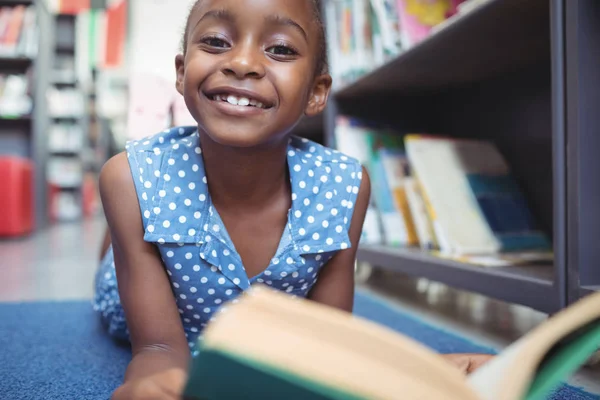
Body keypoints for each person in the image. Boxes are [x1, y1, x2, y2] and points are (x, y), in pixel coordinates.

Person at [94, 0, 493, 398]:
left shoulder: (345, 187)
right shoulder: (130, 179)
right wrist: (149, 385)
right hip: (138, 281)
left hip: (260, 325)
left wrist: (423, 373)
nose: (243, 62)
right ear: (181, 73)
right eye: (216, 41)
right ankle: (113, 243)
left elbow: (323, 345)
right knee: (118, 251)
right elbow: (159, 349)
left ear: (316, 93)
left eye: (280, 49)